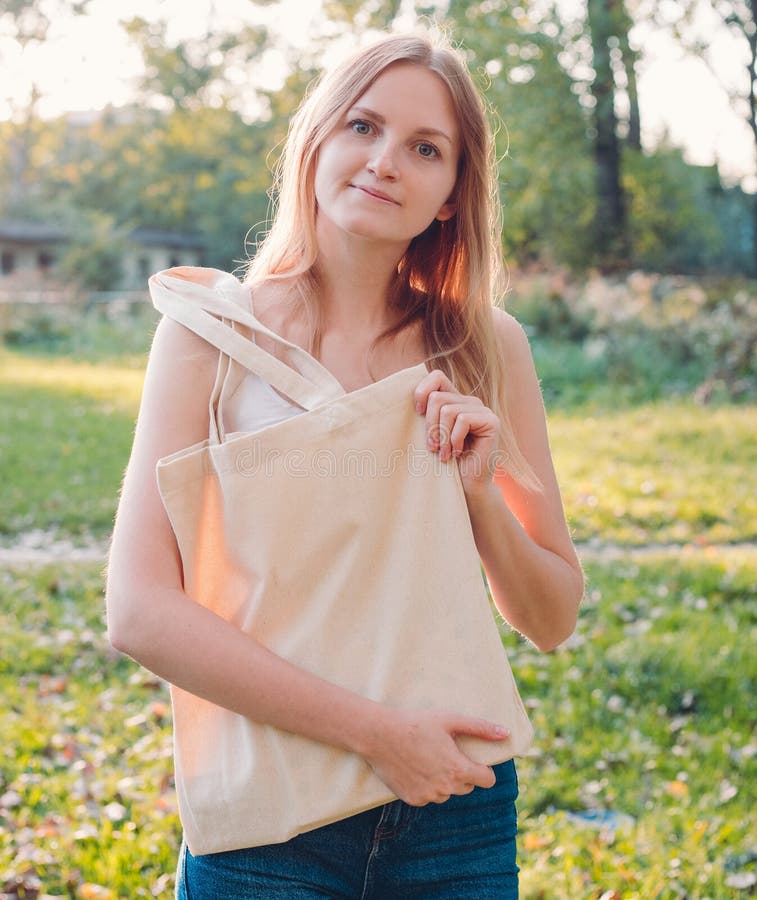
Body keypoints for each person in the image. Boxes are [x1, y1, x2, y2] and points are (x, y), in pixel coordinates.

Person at [105, 31, 583, 899]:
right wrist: (375, 733)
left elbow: (549, 619)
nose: (385, 161)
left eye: (424, 148)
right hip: (268, 812)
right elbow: (138, 610)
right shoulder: (211, 336)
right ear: (316, 141)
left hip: (454, 804)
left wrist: (480, 501)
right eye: (362, 126)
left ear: (449, 195)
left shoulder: (484, 345)